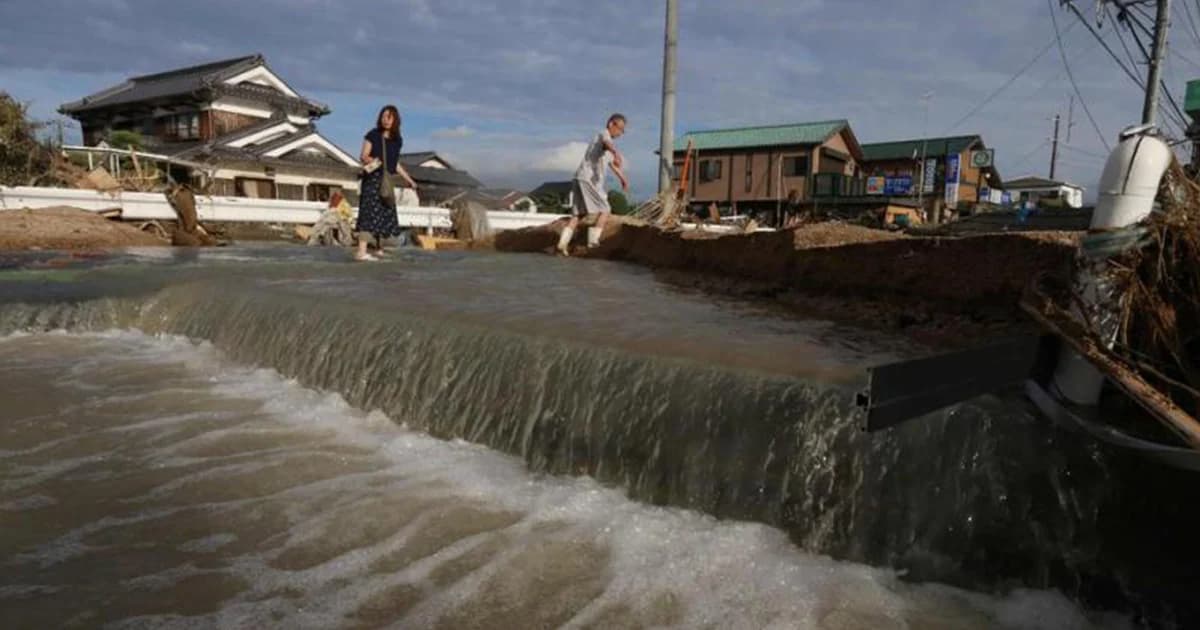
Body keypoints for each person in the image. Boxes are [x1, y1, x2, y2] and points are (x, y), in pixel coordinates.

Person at [557, 113, 629, 255]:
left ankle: (562, 244)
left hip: (580, 178)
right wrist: (616, 152)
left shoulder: (607, 151)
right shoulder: (603, 134)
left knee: (577, 215)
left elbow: (614, 166)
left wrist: (623, 179)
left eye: (623, 131)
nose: (620, 133)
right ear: (611, 124)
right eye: (620, 129)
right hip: (587, 179)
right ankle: (593, 243)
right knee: (605, 209)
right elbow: (607, 142)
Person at [355, 104, 417, 261]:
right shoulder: (373, 134)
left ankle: (379, 249)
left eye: (389, 117)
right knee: (369, 213)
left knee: (384, 214)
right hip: (372, 179)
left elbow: (395, 164)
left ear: (395, 120)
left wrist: (409, 180)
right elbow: (363, 156)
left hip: (386, 181)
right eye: (384, 116)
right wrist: (377, 162)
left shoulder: (397, 141)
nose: (386, 120)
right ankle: (361, 252)